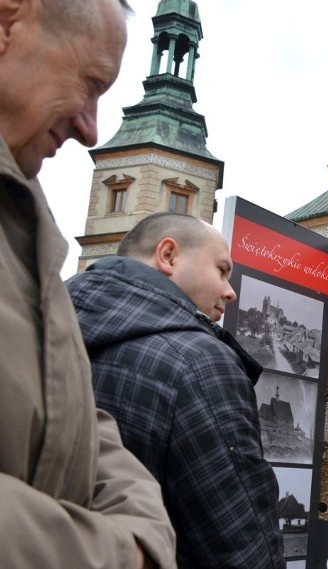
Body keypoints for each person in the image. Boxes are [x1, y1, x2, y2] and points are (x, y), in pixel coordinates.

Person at [0, 0, 177, 567]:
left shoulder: (27, 231)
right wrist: (125, 551)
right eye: (91, 82)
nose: (91, 127)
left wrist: (145, 529)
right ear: (8, 23)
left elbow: (78, 416)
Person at [66, 213, 285, 568]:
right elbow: (242, 542)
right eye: (221, 270)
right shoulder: (201, 362)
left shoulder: (42, 330)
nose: (230, 291)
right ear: (168, 255)